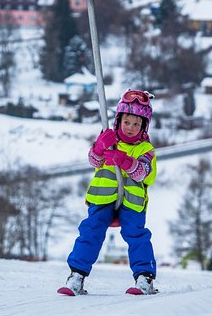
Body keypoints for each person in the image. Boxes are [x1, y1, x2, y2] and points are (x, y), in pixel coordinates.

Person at [59, 89, 158, 296]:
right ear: (118, 120)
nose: (131, 128)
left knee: (136, 235)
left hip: (131, 202)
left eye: (137, 124)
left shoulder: (146, 149)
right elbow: (93, 161)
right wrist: (98, 148)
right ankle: (76, 276)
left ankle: (144, 278)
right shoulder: (108, 138)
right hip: (103, 198)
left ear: (144, 126)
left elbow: (144, 173)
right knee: (90, 231)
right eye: (127, 122)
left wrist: (124, 161)